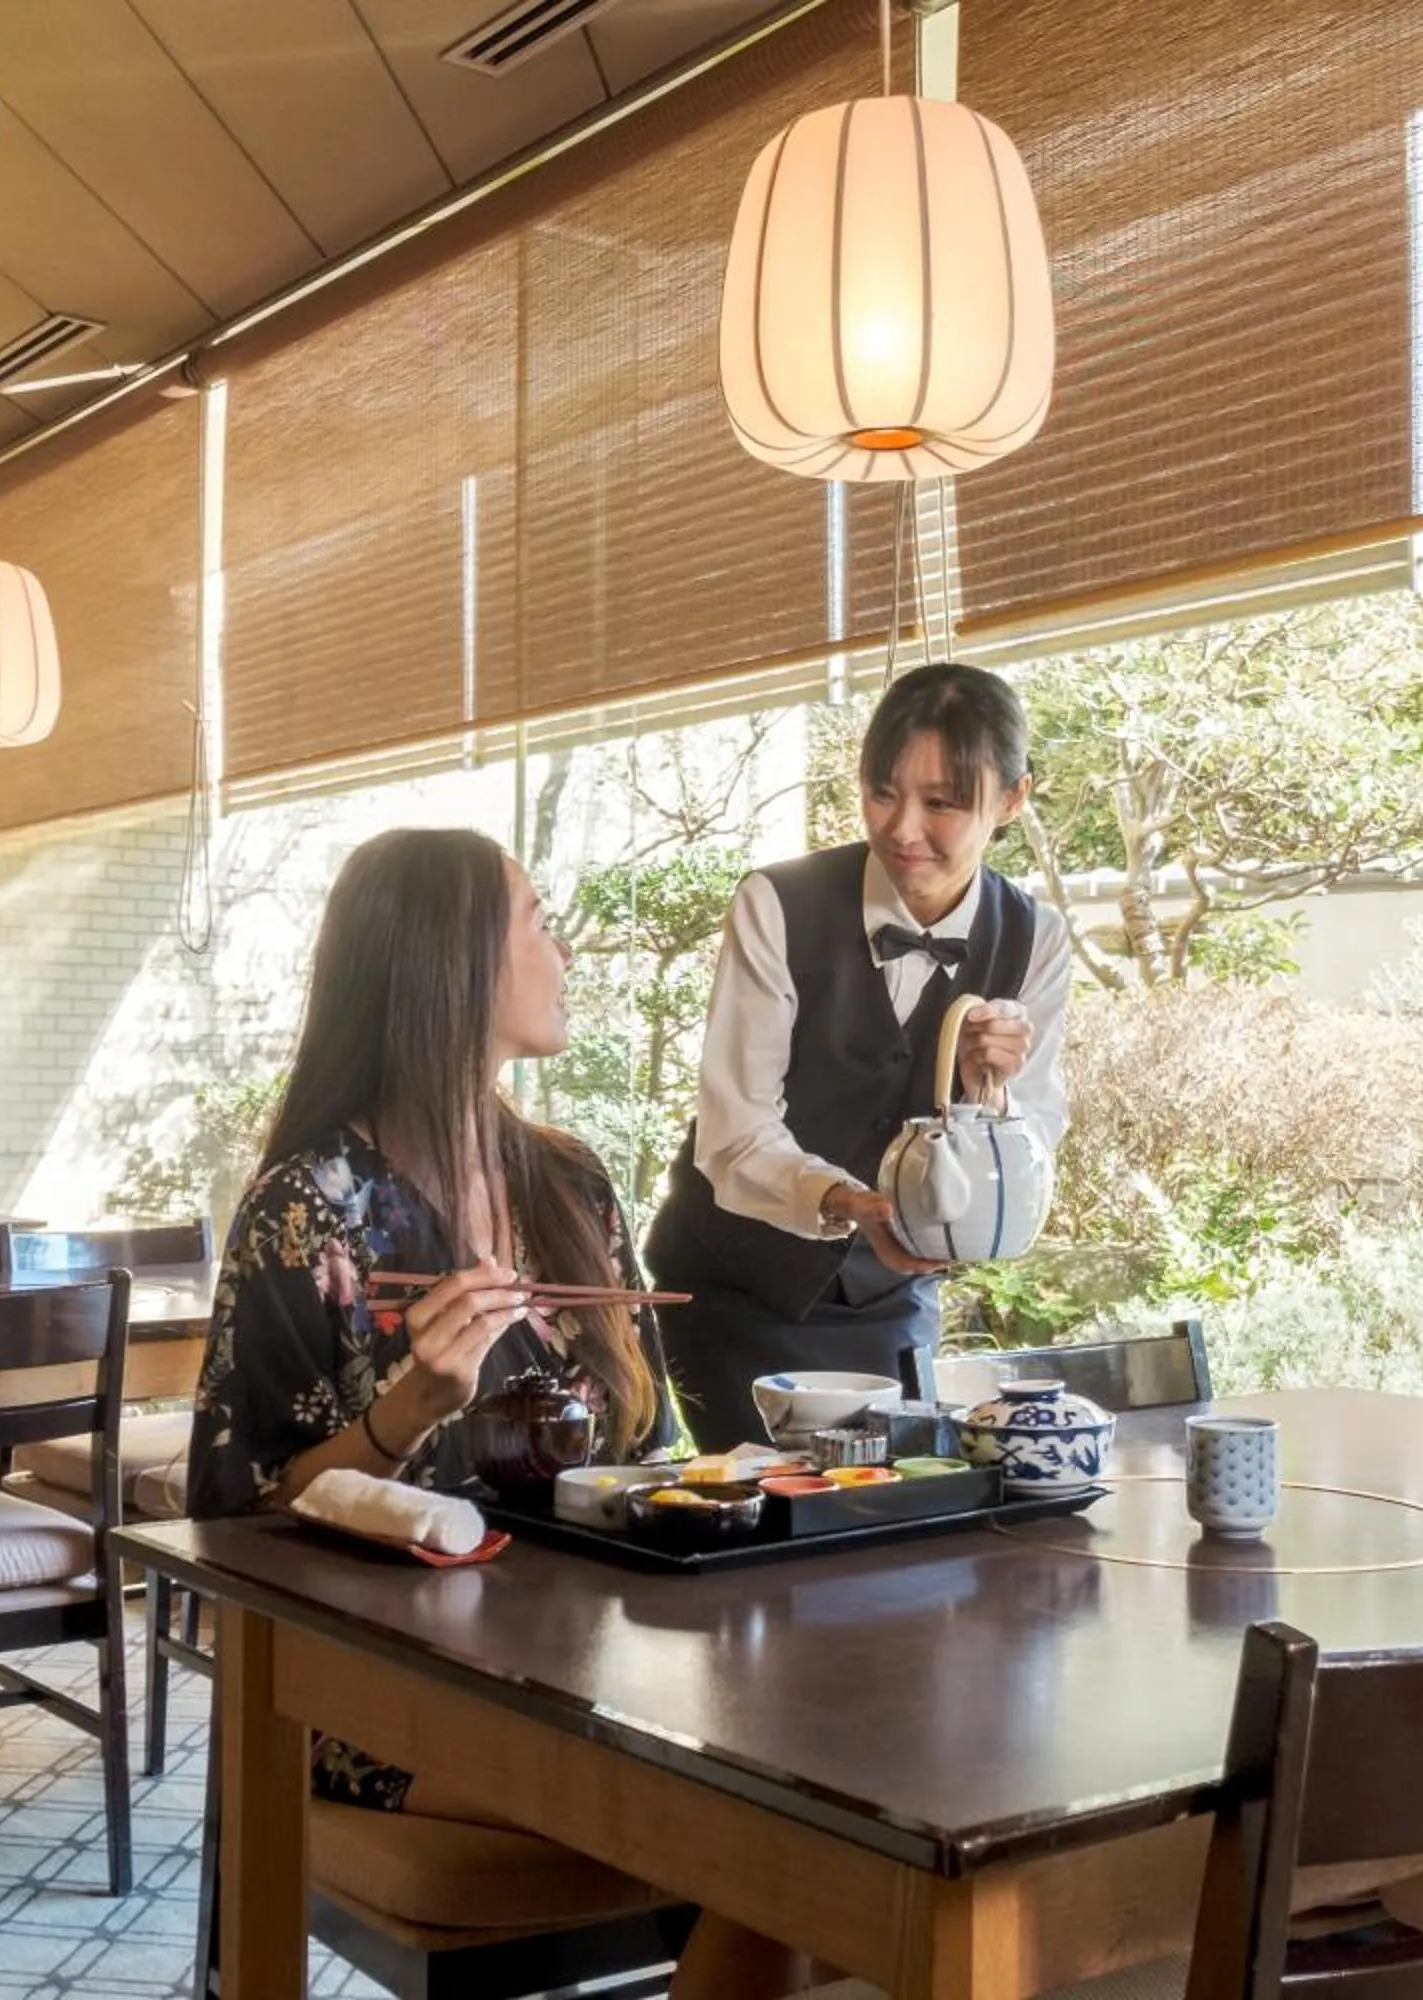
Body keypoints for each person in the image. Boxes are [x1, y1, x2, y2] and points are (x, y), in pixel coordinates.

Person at [187, 828, 813, 1994]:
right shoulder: (308, 1209)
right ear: (456, 960)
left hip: (585, 1653)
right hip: (375, 1681)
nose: (564, 949)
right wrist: (412, 1404)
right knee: (764, 1833)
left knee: (805, 1804)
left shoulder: (567, 1179)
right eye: (539, 921)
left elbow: (649, 1445)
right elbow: (235, 1516)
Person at [645, 663, 1074, 1449]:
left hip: (891, 1298)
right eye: (883, 792)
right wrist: (851, 1205)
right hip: (738, 1285)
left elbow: (1034, 1134)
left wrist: (990, 1096)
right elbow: (735, 1133)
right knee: (766, 1519)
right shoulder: (778, 905)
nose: (903, 828)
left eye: (942, 802)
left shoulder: (1033, 937)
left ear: (1013, 799)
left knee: (891, 1526)